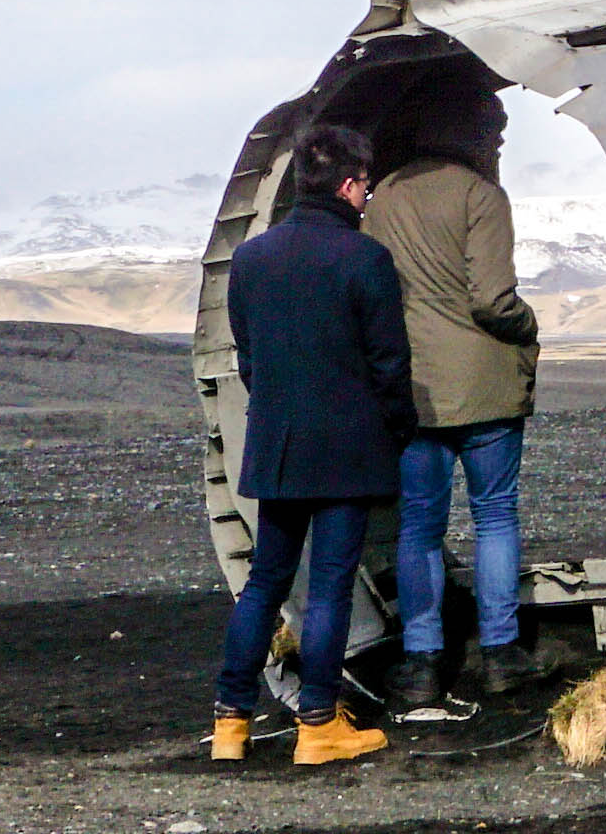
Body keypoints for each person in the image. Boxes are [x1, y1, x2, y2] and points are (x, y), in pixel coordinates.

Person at [214, 132, 416, 769]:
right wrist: (396, 430)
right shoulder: (365, 260)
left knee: (265, 587)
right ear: (351, 185)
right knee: (328, 589)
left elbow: (248, 360)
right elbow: (390, 365)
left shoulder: (251, 259)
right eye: (366, 187)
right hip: (347, 449)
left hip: (277, 445)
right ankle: (319, 725)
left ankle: (230, 724)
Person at [359, 83, 549, 725]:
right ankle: (499, 653)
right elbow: (492, 299)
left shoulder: (383, 196)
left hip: (416, 388)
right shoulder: (481, 195)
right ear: (468, 131)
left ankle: (421, 660)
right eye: (493, 132)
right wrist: (529, 326)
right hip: (487, 385)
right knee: (495, 514)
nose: (497, 143)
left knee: (419, 527)